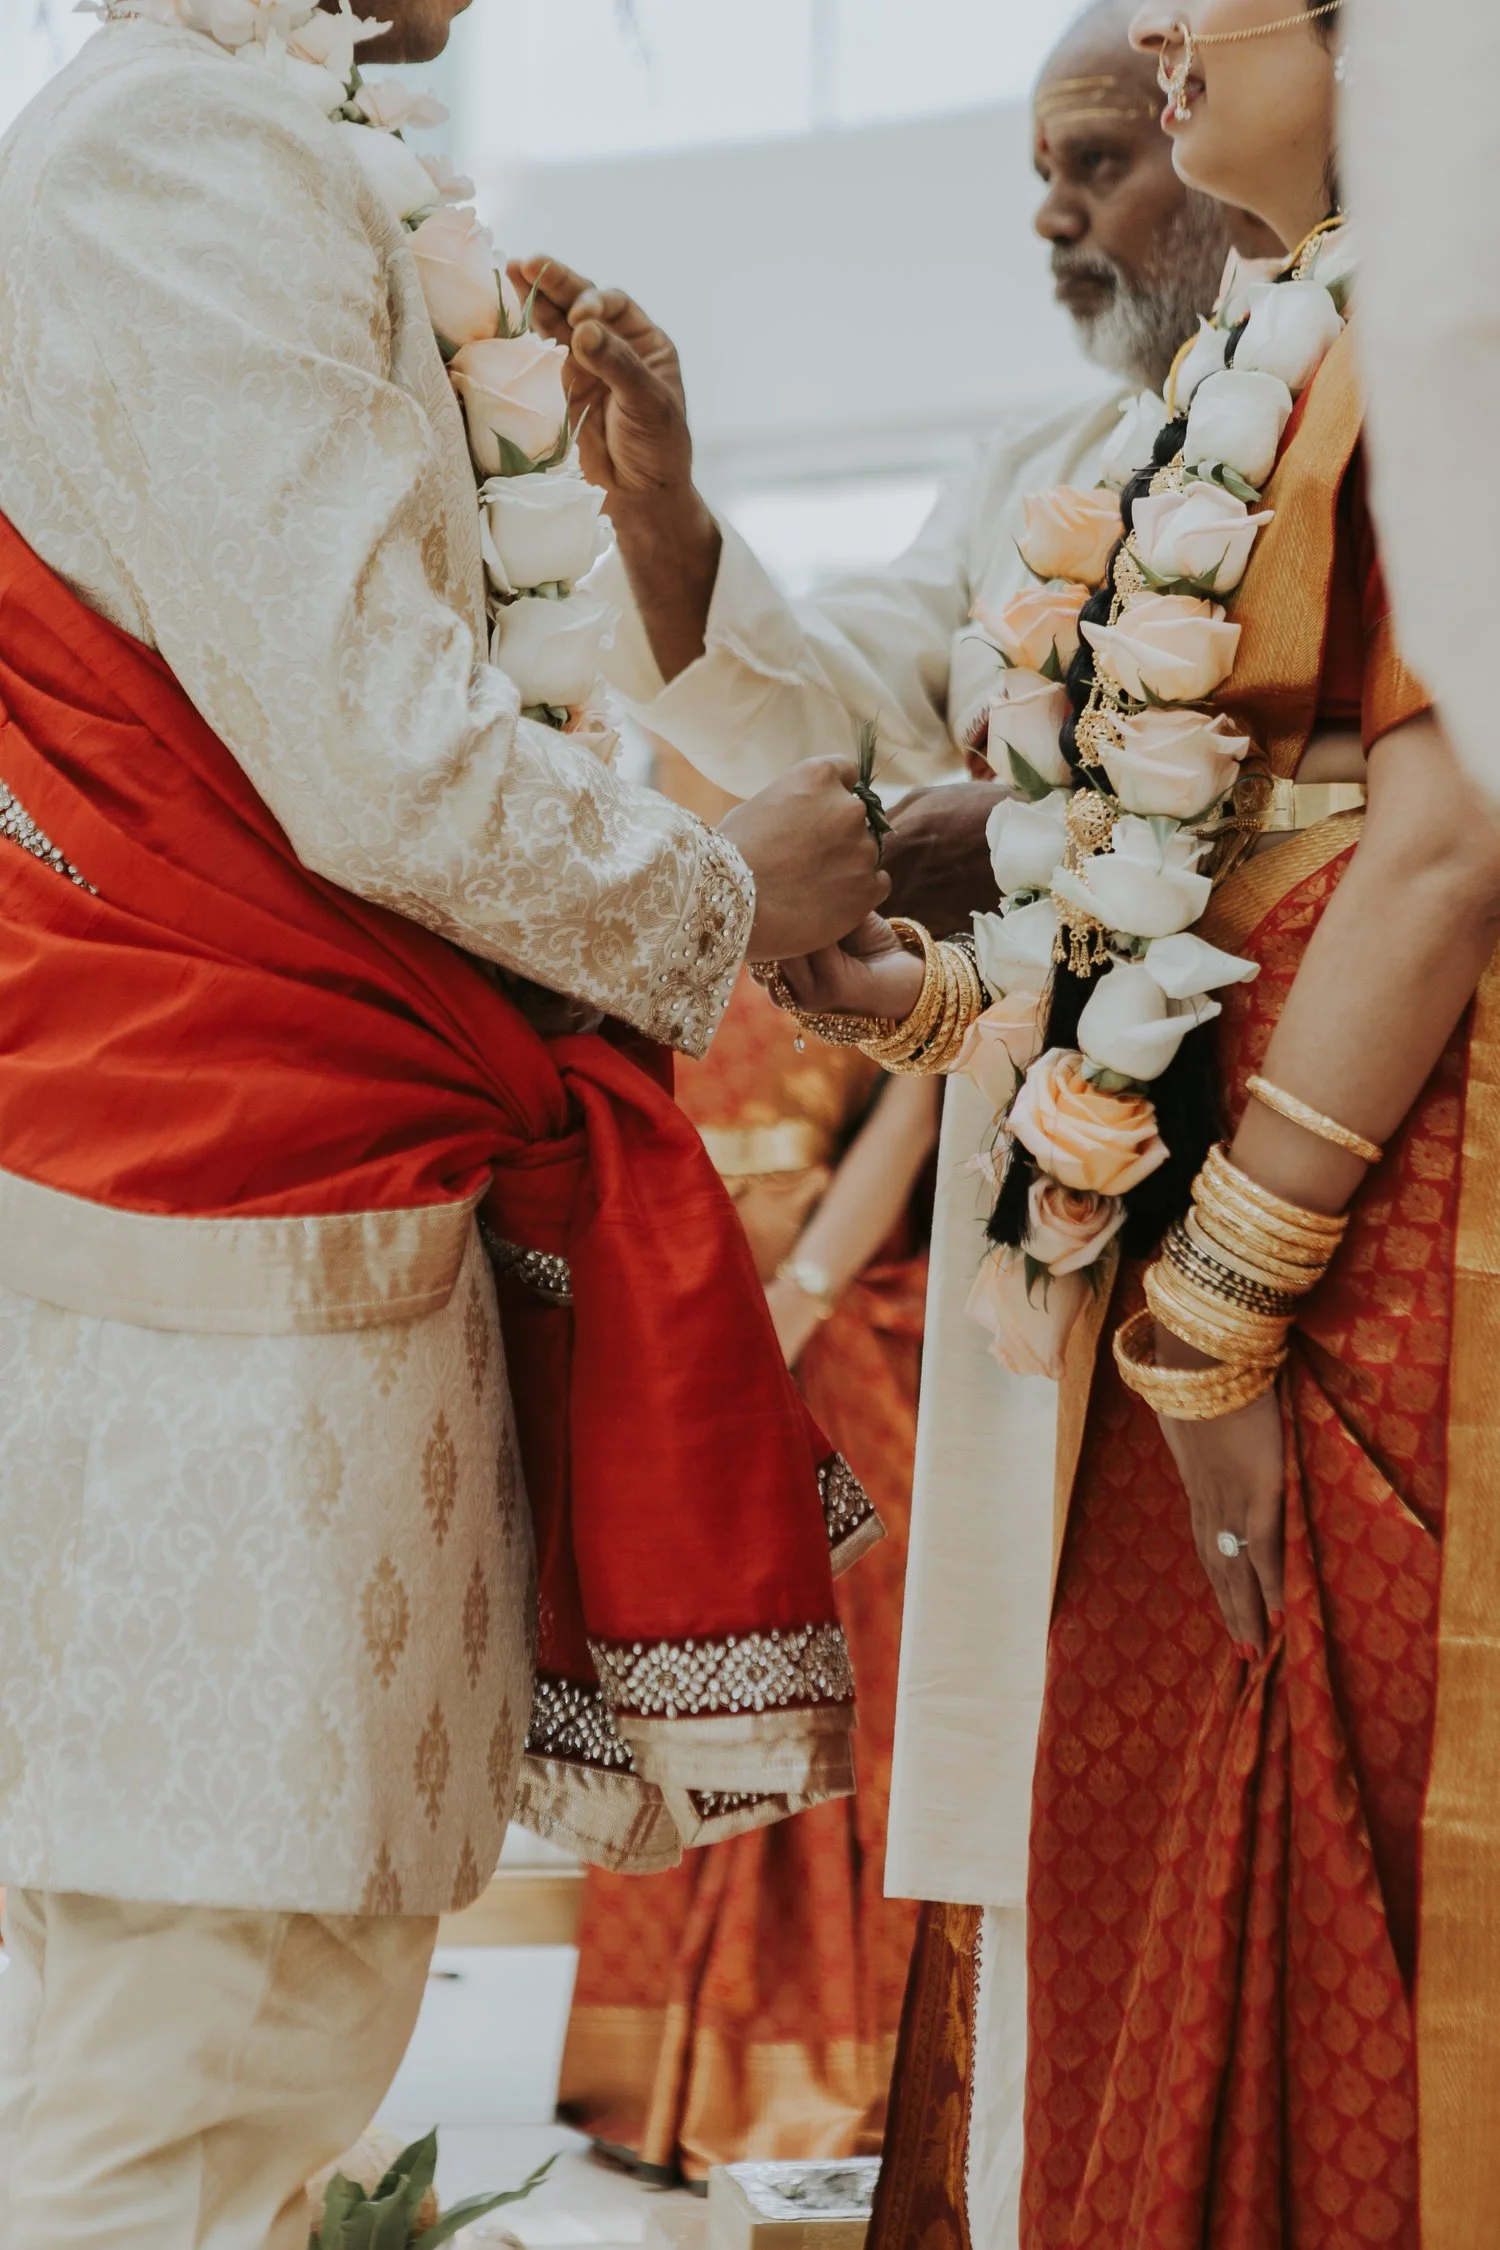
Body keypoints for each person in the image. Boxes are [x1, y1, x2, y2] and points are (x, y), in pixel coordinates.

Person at [0, 0, 890, 2240]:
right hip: (246, 1223)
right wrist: (717, 889)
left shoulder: (212, 134)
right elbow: (377, 746)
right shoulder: (185, 151)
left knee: (246, 2044)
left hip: (273, 1207)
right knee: (215, 2049)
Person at [510, 5, 1275, 2236]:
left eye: (1105, 157)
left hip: (1281, 1222)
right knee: (1049, 1817)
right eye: (1042, 161)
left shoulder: (1385, 423)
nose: (1052, 210)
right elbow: (860, 705)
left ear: (1238, 132)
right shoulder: (1053, 457)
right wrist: (665, 509)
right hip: (1058, 1239)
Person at [774, 0, 1500, 2232]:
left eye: (1218, 5)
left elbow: (1451, 822)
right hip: (1191, 1188)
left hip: (1366, 1202)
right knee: (1142, 1794)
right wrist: (917, 996)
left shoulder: (1448, 325)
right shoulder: (1257, 351)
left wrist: (1227, 1294)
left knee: (1342, 1779)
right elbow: (1133, 855)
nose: (1170, 39)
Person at [558, 741, 939, 2182]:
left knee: (859, 1682)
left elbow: (923, 1076)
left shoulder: (820, 726)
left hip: (839, 1316)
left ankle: (848, 2071)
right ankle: (676, 2071)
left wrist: (810, 1287)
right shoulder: (577, 732)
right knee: (680, 1649)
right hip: (672, 1285)